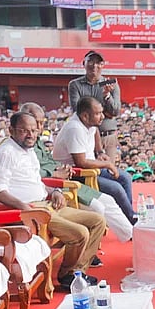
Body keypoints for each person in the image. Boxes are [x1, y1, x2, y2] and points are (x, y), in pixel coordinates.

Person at [0, 112, 106, 288]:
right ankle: (67, 276)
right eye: (24, 131)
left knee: (98, 221)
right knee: (80, 233)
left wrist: (56, 191)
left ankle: (77, 273)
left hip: (47, 203)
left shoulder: (29, 150)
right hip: (31, 210)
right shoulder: (6, 153)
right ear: (11, 130)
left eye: (33, 131)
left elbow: (36, 181)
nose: (30, 135)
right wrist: (26, 208)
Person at [20, 102, 132, 243]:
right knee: (98, 208)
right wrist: (54, 173)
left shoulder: (37, 142)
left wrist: (61, 168)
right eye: (36, 123)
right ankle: (88, 251)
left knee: (108, 200)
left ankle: (131, 234)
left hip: (64, 180)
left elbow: (50, 161)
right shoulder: (21, 147)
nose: (40, 127)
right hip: (52, 186)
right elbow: (30, 172)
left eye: (42, 123)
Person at [52, 96, 136, 225]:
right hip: (75, 173)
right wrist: (107, 164)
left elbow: (95, 131)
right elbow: (81, 162)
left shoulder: (89, 122)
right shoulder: (75, 128)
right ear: (85, 116)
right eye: (98, 114)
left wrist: (100, 151)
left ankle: (129, 216)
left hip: (91, 167)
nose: (102, 117)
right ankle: (132, 222)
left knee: (125, 178)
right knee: (116, 188)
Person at [68, 50, 121, 158]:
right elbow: (78, 111)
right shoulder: (75, 84)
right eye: (91, 62)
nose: (94, 66)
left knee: (109, 171)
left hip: (108, 135)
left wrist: (107, 95)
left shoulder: (110, 84)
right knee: (89, 170)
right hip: (86, 136)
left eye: (98, 63)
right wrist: (105, 112)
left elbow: (115, 111)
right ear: (84, 64)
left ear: (103, 65)